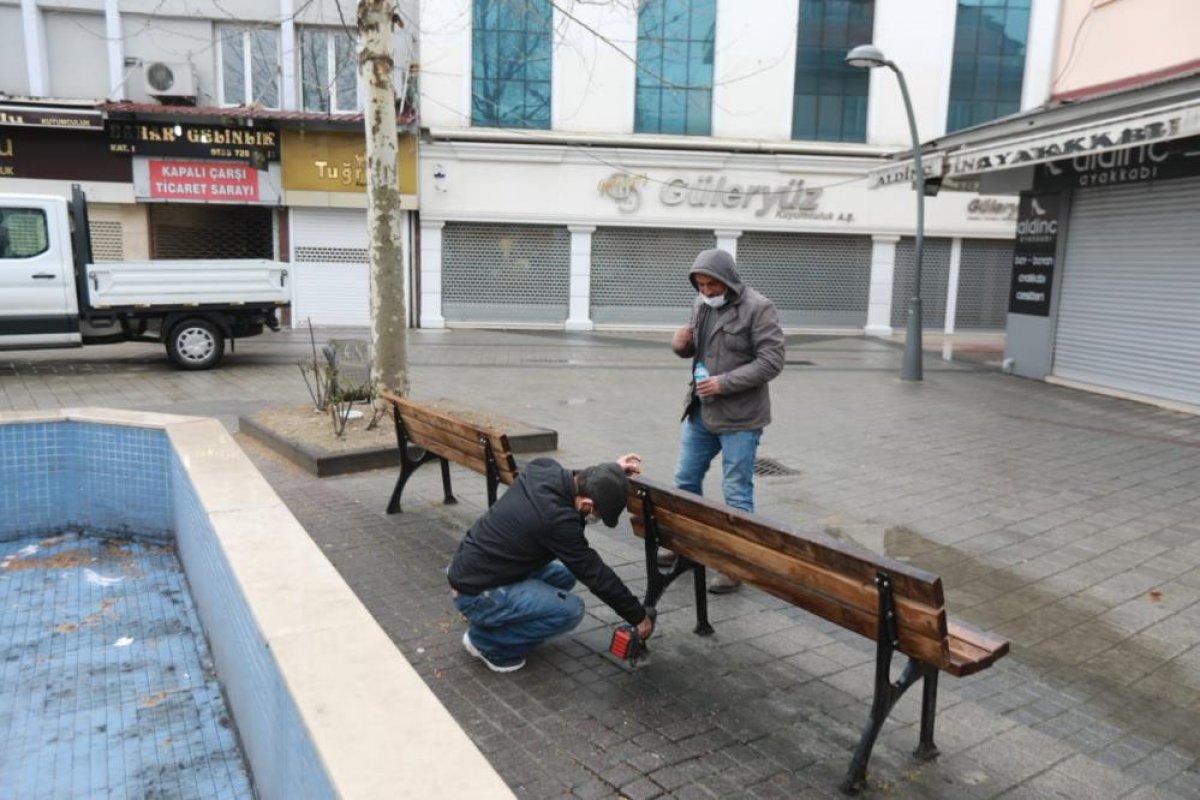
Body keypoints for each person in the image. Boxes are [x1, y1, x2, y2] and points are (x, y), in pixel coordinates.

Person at [448, 454, 653, 673]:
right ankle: (486, 643)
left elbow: (585, 478)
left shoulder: (543, 469)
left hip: (472, 567)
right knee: (571, 610)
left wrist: (611, 474)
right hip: (475, 593)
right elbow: (596, 574)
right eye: (597, 515)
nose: (595, 520)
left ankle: (496, 618)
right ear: (586, 504)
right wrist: (639, 618)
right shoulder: (556, 520)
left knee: (565, 573)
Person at [665, 248, 785, 593]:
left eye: (711, 284)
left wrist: (724, 383)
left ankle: (735, 565)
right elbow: (694, 350)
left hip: (742, 418)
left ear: (728, 280)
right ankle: (684, 548)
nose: (705, 291)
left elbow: (771, 362)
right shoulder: (700, 304)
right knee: (685, 480)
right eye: (699, 285)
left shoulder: (759, 308)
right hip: (701, 411)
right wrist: (679, 345)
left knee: (736, 490)